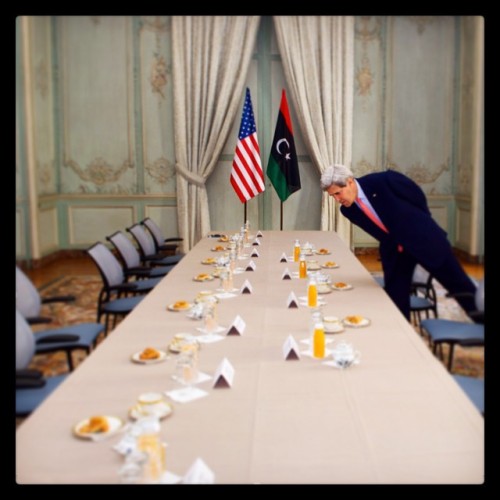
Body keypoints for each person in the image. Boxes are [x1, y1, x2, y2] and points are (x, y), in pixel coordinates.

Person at [320, 164, 478, 321]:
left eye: (338, 193)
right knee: (396, 299)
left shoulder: (385, 180)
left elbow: (417, 197)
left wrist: (420, 225)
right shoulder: (348, 210)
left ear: (349, 182)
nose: (337, 199)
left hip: (424, 239)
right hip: (395, 251)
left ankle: (480, 320)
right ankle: (404, 334)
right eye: (332, 196)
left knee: (459, 285)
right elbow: (379, 231)